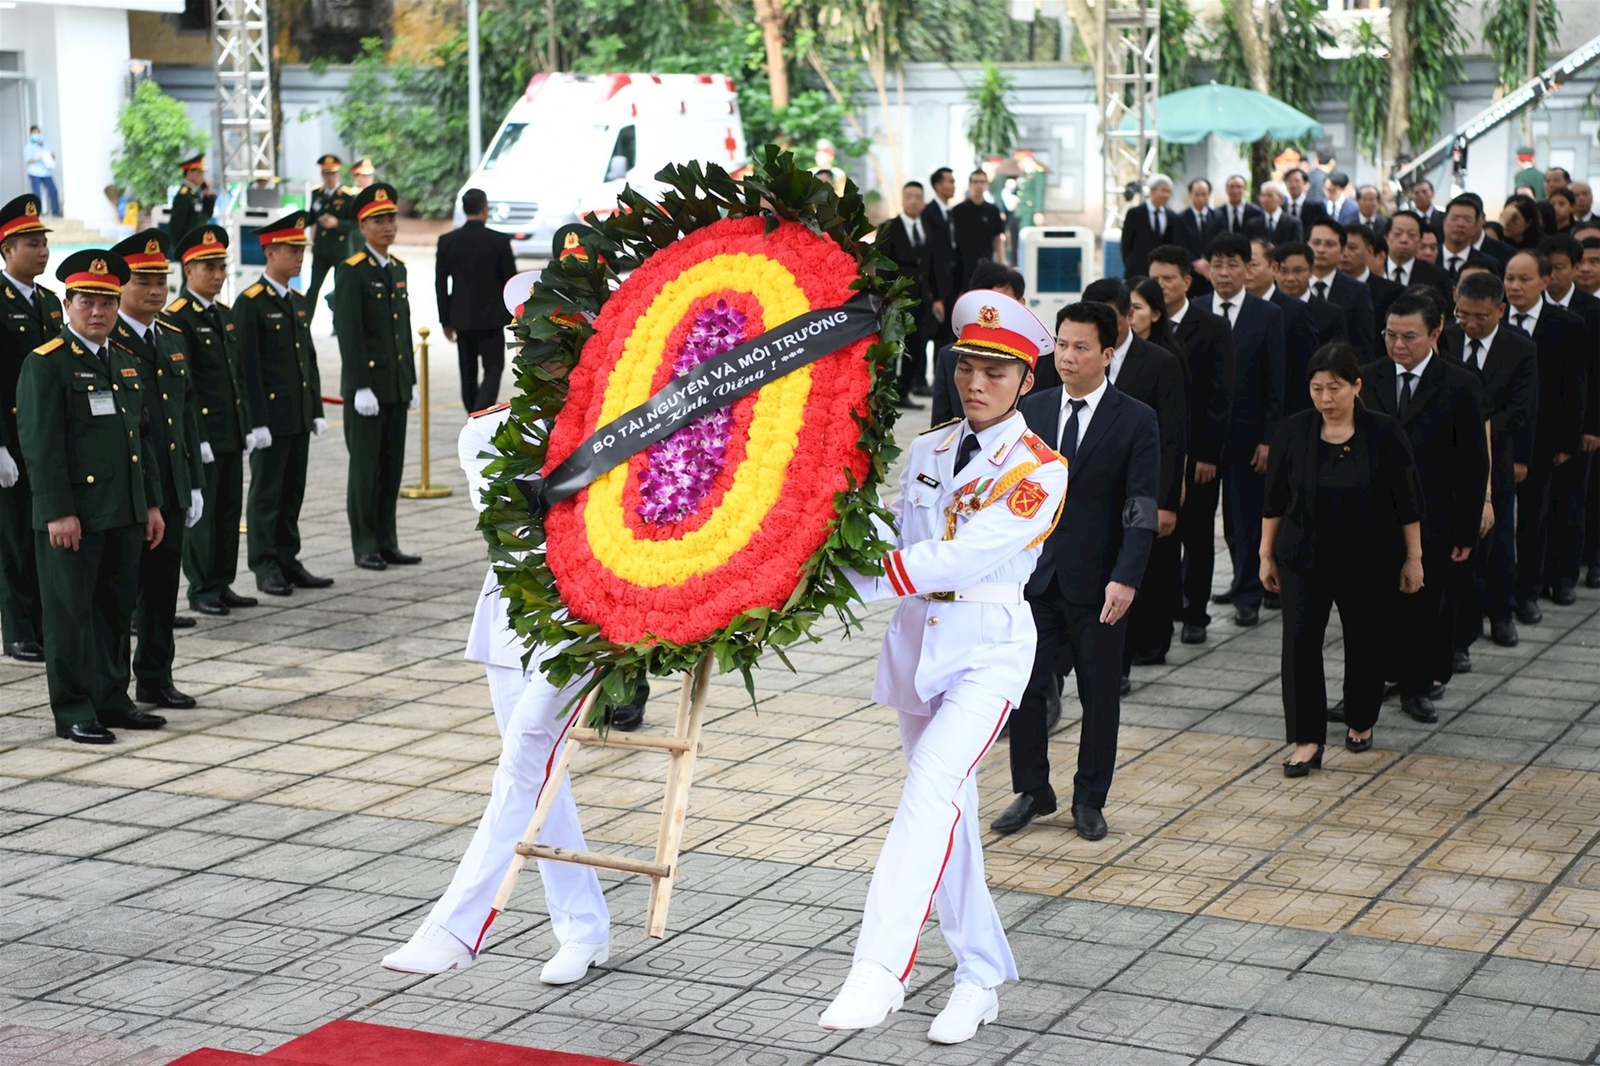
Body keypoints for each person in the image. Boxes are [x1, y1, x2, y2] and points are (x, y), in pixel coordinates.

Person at [818, 289, 1065, 1044]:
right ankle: (980, 974)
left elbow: (958, 554)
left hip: (987, 649)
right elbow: (893, 530)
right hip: (919, 647)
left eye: (996, 370)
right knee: (946, 817)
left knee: (930, 793)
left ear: (1027, 381)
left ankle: (879, 971)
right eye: (967, 366)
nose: (975, 382)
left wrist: (857, 575)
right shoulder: (928, 448)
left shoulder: (1039, 470)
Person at [381, 402, 612, 986]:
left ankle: (456, 930)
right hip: (514, 616)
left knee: (524, 760)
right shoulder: (488, 427)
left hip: (585, 618)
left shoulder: (628, 410)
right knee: (536, 775)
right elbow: (517, 521)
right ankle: (583, 927)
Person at [994, 299, 1159, 839]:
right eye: (1061, 344)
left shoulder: (1135, 419)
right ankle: (1032, 790)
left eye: (1080, 347)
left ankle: (1090, 798)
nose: (1066, 356)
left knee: (1098, 693)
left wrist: (1127, 575)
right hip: (1033, 577)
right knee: (1028, 686)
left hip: (1100, 581)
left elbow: (1140, 505)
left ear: (1107, 354)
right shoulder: (1031, 411)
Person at [17, 250, 167, 743]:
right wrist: (57, 511)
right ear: (67, 304)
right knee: (69, 615)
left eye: (106, 300)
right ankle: (73, 707)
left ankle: (112, 698)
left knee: (114, 610)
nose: (98, 311)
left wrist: (149, 503)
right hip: (74, 516)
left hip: (121, 511)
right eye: (87, 301)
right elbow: (42, 445)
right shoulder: (48, 364)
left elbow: (138, 442)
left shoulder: (123, 361)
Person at [1261, 344, 1422, 773]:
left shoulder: (1383, 432)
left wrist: (1415, 558)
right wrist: (1265, 554)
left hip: (1369, 558)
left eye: (1335, 388)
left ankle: (1361, 719)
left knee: (1366, 641)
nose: (1326, 399)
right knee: (1298, 646)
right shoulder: (1293, 431)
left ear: (1356, 386)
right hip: (1303, 556)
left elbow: (1407, 501)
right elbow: (1274, 500)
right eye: (1316, 389)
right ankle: (1307, 740)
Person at [1361, 291, 1489, 722]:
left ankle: (1416, 688)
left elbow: (1474, 462)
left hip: (1437, 515)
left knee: (1423, 607)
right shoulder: (1368, 378)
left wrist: (1466, 531)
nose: (1398, 345)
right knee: (1370, 610)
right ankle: (1367, 686)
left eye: (1409, 337)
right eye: (1390, 335)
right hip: (1374, 519)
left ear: (1435, 333)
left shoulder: (1460, 383)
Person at [106, 230, 204, 711]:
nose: (156, 289)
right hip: (128, 491)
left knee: (164, 590)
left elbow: (183, 419)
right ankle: (110, 688)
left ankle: (155, 676)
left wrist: (193, 485)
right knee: (123, 592)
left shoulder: (170, 335)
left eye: (161, 279)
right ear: (121, 285)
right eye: (143, 280)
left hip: (171, 485)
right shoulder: (110, 340)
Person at [1082, 279, 1187, 672]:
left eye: (1109, 315)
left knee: (1147, 567)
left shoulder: (1161, 362)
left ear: (1129, 315)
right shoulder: (1075, 360)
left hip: (1143, 486)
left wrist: (1166, 501)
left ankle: (1147, 644)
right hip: (1093, 490)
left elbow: (1173, 438)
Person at [1193, 233, 1287, 627]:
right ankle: (1203, 594)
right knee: (1199, 523)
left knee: (1244, 521)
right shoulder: (1196, 310)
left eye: (1233, 264)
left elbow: (1276, 382)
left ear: (1248, 269)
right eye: (1217, 264)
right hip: (1202, 441)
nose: (1224, 272)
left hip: (1249, 438)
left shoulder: (1267, 315)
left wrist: (1268, 438)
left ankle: (1248, 592)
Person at [237, 211, 332, 597]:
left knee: (292, 491)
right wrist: (255, 421)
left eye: (302, 250)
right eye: (292, 250)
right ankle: (265, 564)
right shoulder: (251, 303)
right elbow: (247, 369)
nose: (300, 257)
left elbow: (305, 358)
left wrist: (315, 409)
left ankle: (288, 557)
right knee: (266, 495)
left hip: (295, 414)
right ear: (270, 253)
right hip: (270, 419)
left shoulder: (296, 300)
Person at [1443, 270, 1535, 656]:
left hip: (1496, 456)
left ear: (1501, 310)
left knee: (1498, 542)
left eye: (1480, 317)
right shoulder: (1444, 338)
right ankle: (1460, 629)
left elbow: (1521, 409)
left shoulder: (1520, 347)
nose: (1470, 324)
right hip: (1448, 458)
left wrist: (1478, 432)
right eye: (1463, 315)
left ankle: (1501, 613)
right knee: (1458, 545)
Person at [168, 225, 255, 619]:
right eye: (208, 267)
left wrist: (246, 423)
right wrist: (197, 437)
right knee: (204, 516)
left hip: (230, 431)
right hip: (204, 435)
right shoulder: (179, 318)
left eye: (221, 266)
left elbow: (237, 377)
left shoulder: (223, 313)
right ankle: (202, 586)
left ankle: (222, 581)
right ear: (188, 270)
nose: (218, 275)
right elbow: (187, 387)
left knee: (227, 510)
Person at [1146, 246, 1231, 644]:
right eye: (1155, 278)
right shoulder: (1145, 326)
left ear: (1187, 281)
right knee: (1162, 538)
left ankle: (1196, 612)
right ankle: (1164, 609)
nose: (1161, 286)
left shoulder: (1211, 326)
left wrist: (1208, 455)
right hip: (1158, 452)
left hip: (1198, 453)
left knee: (1197, 534)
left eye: (1168, 278)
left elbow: (1219, 396)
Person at [336, 183, 421, 572]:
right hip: (367, 389)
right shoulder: (352, 272)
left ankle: (388, 540)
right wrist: (360, 385)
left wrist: (411, 381)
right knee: (366, 470)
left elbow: (401, 330)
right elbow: (351, 333)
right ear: (363, 226)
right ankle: (365, 543)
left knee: (391, 468)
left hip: (395, 385)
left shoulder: (397, 269)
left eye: (391, 219)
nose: (388, 227)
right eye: (379, 221)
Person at [1503, 250, 1588, 622]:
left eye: (1524, 279)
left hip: (1544, 438)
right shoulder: (1494, 319)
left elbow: (1575, 387)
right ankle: (1498, 595)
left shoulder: (1566, 324)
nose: (1514, 286)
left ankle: (1528, 592)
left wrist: (1568, 442)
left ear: (1545, 281)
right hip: (1501, 438)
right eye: (1509, 279)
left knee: (1534, 520)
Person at [0, 195, 56, 663]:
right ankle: (17, 630)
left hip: (48, 440)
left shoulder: (53, 303)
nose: (42, 252)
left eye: (43, 244)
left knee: (43, 535)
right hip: (10, 439)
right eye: (32, 244)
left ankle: (41, 622)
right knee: (13, 540)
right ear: (6, 249)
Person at [1535, 234, 1600, 605]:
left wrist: (1592, 426)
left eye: (1559, 268)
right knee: (1539, 507)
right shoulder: (1530, 306)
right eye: (1547, 268)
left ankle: (1564, 576)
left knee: (1570, 502)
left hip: (1578, 423)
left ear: (1575, 269)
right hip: (1541, 423)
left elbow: (1595, 375)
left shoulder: (1591, 310)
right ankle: (1538, 573)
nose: (1552, 276)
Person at [437, 188, 518, 413]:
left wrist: (445, 320)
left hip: (461, 317)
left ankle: (473, 412)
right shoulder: (499, 241)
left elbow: (441, 284)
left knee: (468, 371)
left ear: (464, 210)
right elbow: (510, 281)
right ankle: (480, 413)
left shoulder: (447, 241)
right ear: (485, 209)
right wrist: (514, 315)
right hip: (492, 318)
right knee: (494, 368)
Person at [929, 262, 1025, 426]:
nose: (991, 312)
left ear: (1021, 304)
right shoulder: (950, 356)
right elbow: (941, 428)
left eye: (1001, 302)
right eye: (966, 370)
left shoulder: (1043, 359)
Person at [878, 181, 940, 410]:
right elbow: (882, 265)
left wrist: (936, 297)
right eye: (909, 196)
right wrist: (886, 296)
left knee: (916, 345)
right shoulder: (889, 227)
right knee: (892, 346)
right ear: (902, 199)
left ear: (923, 201)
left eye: (917, 197)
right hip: (896, 297)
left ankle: (904, 392)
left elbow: (932, 265)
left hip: (922, 298)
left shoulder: (927, 229)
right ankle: (886, 394)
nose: (913, 201)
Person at [1307, 219, 1378, 361]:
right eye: (1316, 243)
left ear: (1342, 250)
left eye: (1330, 244)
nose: (1321, 249)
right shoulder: (1290, 286)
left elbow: (1363, 346)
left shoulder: (1358, 291)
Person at [305, 155, 357, 324]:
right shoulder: (317, 193)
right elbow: (311, 217)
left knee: (340, 288)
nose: (330, 177)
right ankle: (305, 322)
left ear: (338, 174)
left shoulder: (348, 195)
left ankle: (338, 323)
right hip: (321, 249)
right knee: (313, 288)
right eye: (326, 174)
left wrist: (336, 223)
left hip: (340, 249)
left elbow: (355, 224)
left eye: (333, 174)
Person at [949, 169, 1006, 291]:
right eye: (975, 182)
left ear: (986, 184)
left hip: (986, 263)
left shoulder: (993, 211)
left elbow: (998, 238)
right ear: (970, 184)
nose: (978, 185)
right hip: (963, 265)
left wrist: (1002, 264)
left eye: (982, 182)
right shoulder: (958, 211)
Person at [924, 167, 960, 349]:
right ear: (938, 185)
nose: (954, 186)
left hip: (951, 281)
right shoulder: (929, 213)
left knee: (950, 334)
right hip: (937, 282)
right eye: (950, 181)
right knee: (938, 334)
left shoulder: (950, 212)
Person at [1344, 225, 1404, 326]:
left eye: (1352, 248)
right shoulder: (1325, 287)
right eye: (1342, 247)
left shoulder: (1393, 292)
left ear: (1369, 251)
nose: (1345, 253)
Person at [1119, 174, 1176, 280]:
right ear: (1152, 191)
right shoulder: (1134, 214)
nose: (1166, 195)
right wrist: (1130, 264)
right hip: (1137, 272)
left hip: (1162, 274)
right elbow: (1126, 243)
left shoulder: (1172, 216)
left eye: (1169, 192)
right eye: (1163, 190)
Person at [1385, 211, 1452, 298]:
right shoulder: (1373, 270)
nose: (1404, 240)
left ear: (1420, 241)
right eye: (1398, 234)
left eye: (1412, 235)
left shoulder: (1437, 276)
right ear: (1386, 237)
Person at [1442, 194, 1513, 275]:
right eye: (1455, 218)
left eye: (1467, 220)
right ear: (1444, 222)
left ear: (1476, 226)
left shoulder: (1488, 265)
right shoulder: (1429, 255)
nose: (1460, 224)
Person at [167, 155, 214, 244]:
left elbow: (206, 215)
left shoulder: (195, 193)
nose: (202, 177)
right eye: (199, 173)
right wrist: (180, 246)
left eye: (202, 173)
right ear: (189, 172)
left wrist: (208, 197)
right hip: (188, 244)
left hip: (198, 242)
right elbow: (176, 226)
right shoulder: (184, 195)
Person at [24, 129, 60, 218]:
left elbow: (53, 155)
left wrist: (50, 155)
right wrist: (36, 157)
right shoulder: (29, 147)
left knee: (53, 190)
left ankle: (55, 211)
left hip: (46, 172)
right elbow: (27, 160)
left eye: (38, 133)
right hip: (35, 172)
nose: (36, 135)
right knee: (36, 193)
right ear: (31, 134)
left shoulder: (46, 145)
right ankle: (36, 213)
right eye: (34, 133)